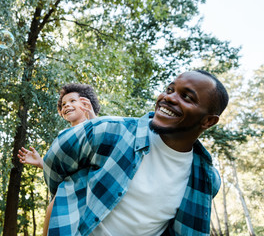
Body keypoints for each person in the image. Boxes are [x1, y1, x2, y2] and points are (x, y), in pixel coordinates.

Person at [43, 70, 228, 236]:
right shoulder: (106, 131)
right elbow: (54, 165)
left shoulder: (207, 180)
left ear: (208, 121)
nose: (169, 98)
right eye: (170, 89)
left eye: (187, 97)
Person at [17, 83, 101, 236]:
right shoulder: (64, 136)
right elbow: (66, 168)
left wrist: (93, 117)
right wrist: (42, 163)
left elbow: (102, 143)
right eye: (63, 104)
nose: (66, 105)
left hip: (85, 196)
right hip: (61, 198)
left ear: (85, 103)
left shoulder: (94, 125)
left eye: (72, 101)